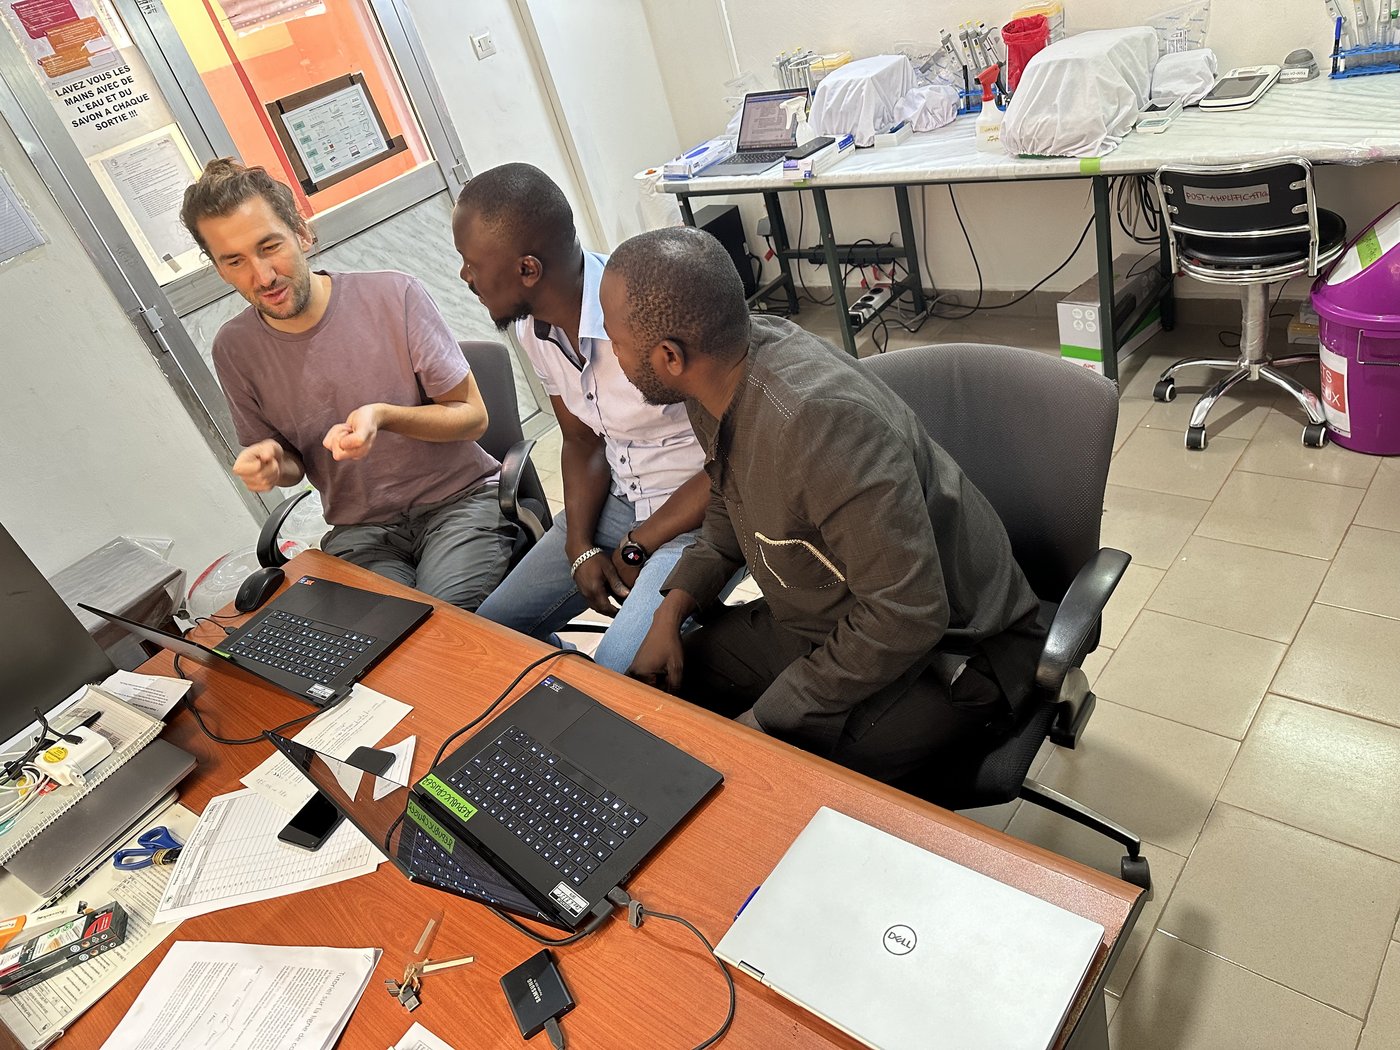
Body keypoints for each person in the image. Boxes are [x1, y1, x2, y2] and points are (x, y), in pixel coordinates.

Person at [610, 227, 1046, 792]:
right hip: (830, 618)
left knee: (768, 784)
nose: (610, 352)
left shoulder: (820, 427)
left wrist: (768, 720)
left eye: (615, 340)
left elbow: (907, 615)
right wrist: (671, 610)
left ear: (670, 356)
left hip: (952, 651)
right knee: (665, 688)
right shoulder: (719, 378)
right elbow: (728, 504)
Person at [180, 159, 518, 611]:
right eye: (235, 261)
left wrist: (384, 416)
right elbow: (291, 467)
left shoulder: (393, 295)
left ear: (302, 233)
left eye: (269, 246)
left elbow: (471, 417)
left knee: (443, 623)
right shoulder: (235, 349)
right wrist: (269, 463)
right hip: (363, 534)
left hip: (459, 503)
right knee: (376, 639)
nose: (262, 277)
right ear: (219, 269)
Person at [454, 163, 710, 672]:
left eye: (470, 263)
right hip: (623, 494)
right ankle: (562, 692)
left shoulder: (651, 312)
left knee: (619, 666)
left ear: (528, 270)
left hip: (698, 509)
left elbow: (735, 461)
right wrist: (579, 548)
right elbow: (580, 440)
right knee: (490, 631)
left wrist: (640, 544)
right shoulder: (534, 327)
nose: (465, 278)